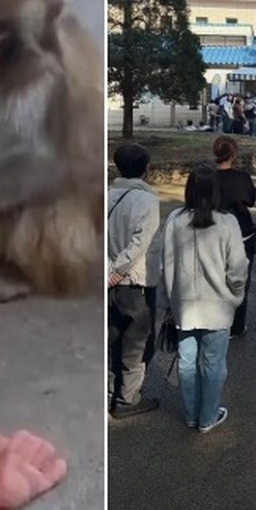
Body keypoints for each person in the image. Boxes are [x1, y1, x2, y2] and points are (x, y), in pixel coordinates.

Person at [156, 164, 247, 433]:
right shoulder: (227, 221)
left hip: (184, 306)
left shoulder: (175, 220)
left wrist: (169, 298)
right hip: (219, 306)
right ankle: (208, 415)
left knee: (186, 363)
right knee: (214, 364)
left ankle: (191, 414)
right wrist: (235, 294)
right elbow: (238, 268)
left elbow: (163, 264)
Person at [107, 143, 161, 419]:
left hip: (108, 282)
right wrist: (119, 269)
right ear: (145, 169)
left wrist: (108, 272)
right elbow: (141, 242)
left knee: (113, 335)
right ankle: (127, 399)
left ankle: (108, 392)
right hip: (135, 280)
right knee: (137, 341)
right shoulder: (148, 201)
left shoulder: (106, 196)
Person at [213, 136, 256, 337]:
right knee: (240, 280)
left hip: (213, 233)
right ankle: (237, 324)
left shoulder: (207, 177)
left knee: (216, 277)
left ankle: (216, 320)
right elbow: (250, 200)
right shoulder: (242, 178)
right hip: (242, 233)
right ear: (233, 153)